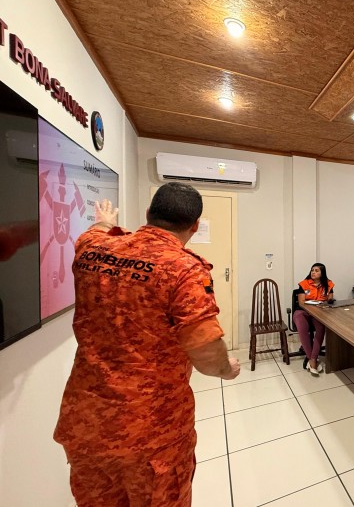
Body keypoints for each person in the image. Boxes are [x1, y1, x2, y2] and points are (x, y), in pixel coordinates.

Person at [54, 185, 240, 507]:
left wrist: (104, 222)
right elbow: (207, 354)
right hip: (152, 433)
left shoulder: (92, 249)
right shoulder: (184, 269)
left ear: (147, 215)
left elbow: (92, 234)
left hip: (87, 423)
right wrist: (227, 369)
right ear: (194, 225)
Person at [294, 263, 334, 375]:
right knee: (303, 329)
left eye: (316, 270)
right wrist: (317, 303)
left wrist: (328, 301)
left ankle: (313, 358)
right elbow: (302, 303)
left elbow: (330, 300)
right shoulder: (304, 283)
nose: (313, 272)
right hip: (302, 311)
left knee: (321, 329)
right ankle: (312, 360)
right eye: (312, 270)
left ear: (322, 273)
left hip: (318, 312)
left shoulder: (328, 284)